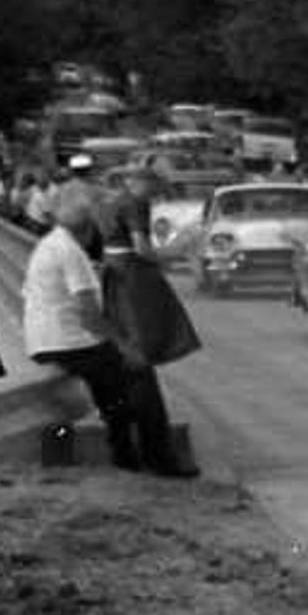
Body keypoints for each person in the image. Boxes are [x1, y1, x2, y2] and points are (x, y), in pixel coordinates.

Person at [23, 189, 195, 475]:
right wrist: (124, 344)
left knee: (115, 392)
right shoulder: (71, 253)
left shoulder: (51, 244)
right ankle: (158, 458)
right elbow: (88, 315)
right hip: (68, 343)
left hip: (43, 340)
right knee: (139, 371)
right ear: (89, 229)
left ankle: (126, 454)